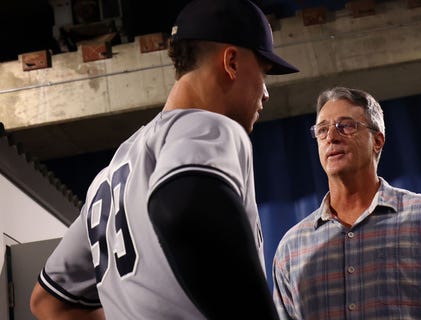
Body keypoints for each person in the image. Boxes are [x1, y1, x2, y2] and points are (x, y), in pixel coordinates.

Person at [29, 0, 298, 319]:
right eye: (263, 73)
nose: (265, 93)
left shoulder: (112, 174)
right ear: (232, 62)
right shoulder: (211, 125)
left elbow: (47, 302)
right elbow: (183, 204)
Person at [272, 86, 421, 319]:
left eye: (345, 126)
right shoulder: (291, 248)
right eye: (322, 130)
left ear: (377, 140)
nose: (331, 137)